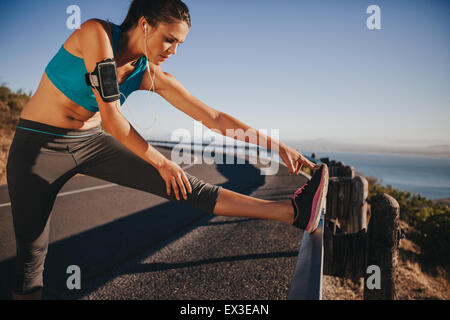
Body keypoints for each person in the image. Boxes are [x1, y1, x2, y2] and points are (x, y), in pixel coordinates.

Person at [6, 0, 328, 300]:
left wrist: (277, 145)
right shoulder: (95, 33)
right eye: (169, 40)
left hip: (89, 142)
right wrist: (163, 162)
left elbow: (214, 119)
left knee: (186, 186)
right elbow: (113, 121)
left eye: (179, 44)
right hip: (37, 146)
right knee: (32, 255)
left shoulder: (148, 72)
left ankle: (294, 212)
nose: (174, 51)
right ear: (145, 25)